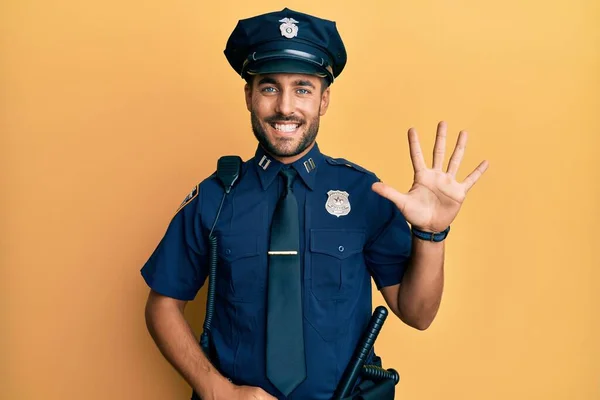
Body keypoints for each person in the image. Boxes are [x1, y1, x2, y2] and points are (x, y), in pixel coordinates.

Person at [140, 7, 488, 400]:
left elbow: (418, 313)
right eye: (269, 87)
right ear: (249, 95)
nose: (285, 107)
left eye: (303, 88)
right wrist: (215, 389)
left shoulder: (363, 194)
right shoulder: (215, 197)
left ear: (323, 100)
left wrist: (431, 233)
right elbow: (162, 305)